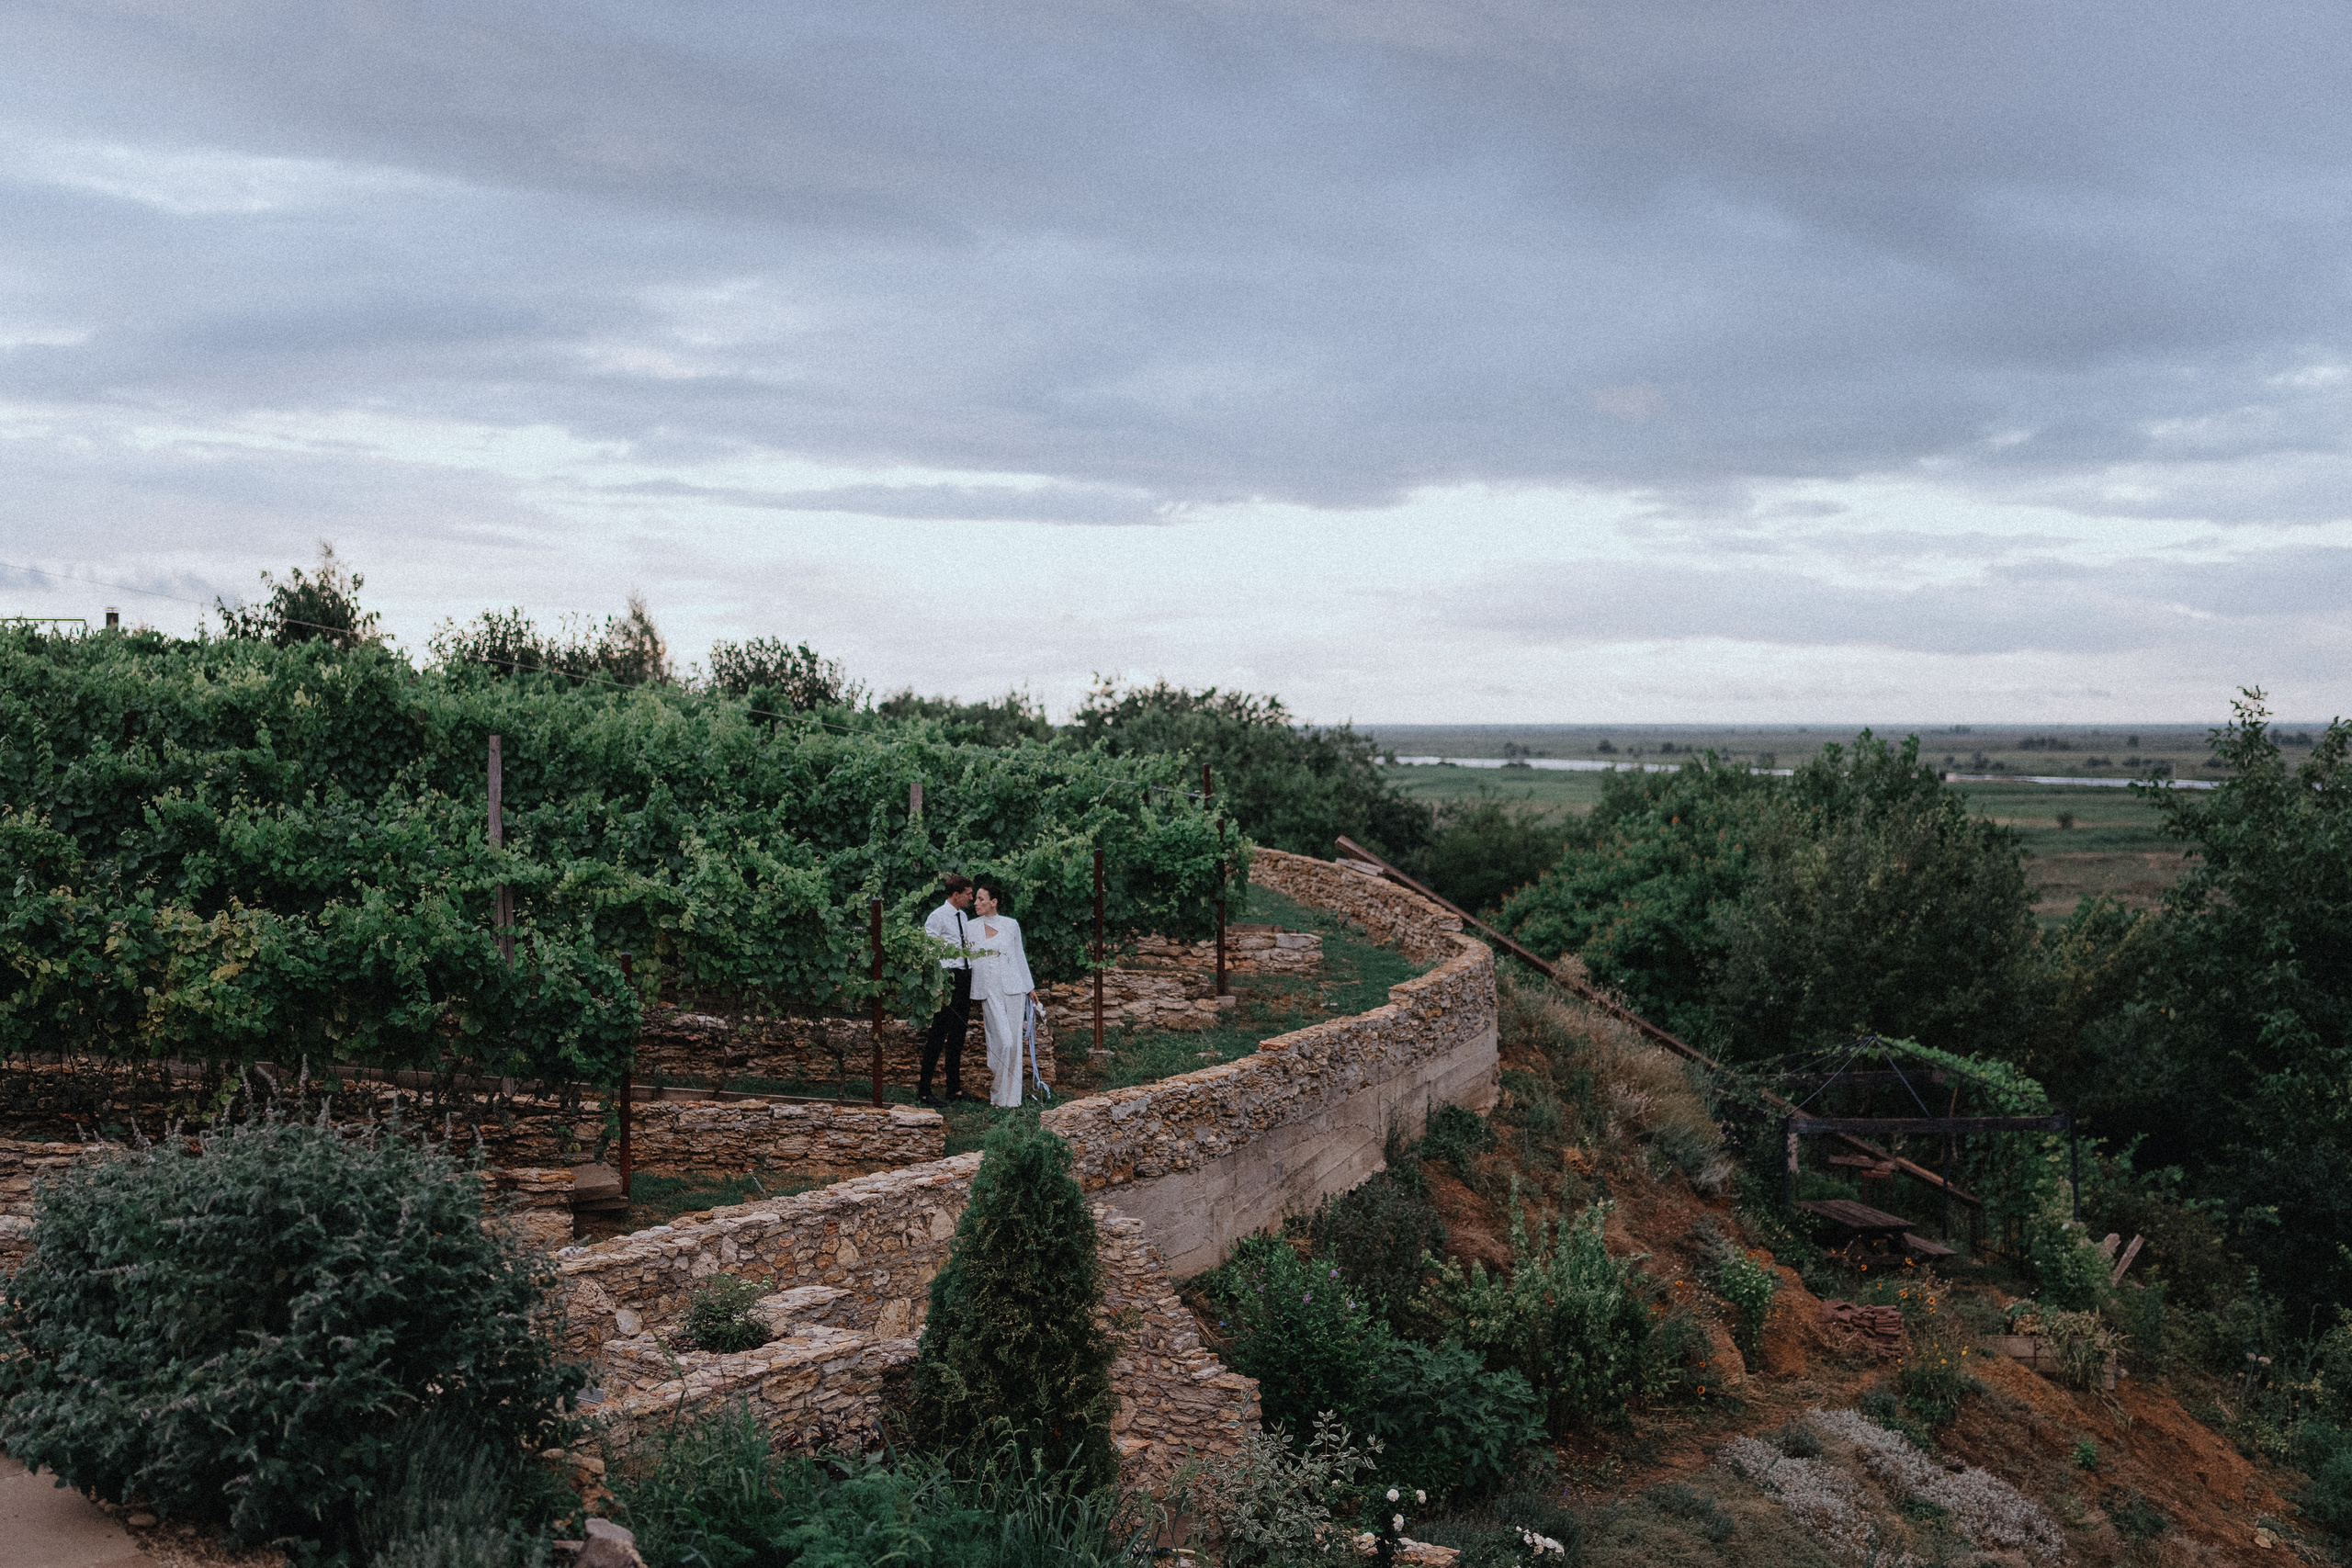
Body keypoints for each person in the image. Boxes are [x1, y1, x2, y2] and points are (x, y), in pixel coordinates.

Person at [966, 882, 1037, 1109]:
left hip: (1014, 989)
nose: (976, 903)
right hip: (989, 991)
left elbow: (1019, 955)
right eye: (975, 899)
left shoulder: (1011, 925)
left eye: (981, 899)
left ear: (993, 902)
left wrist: (1029, 987)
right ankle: (997, 1093)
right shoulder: (970, 927)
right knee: (1003, 1042)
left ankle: (1011, 1100)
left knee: (1014, 1044)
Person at [919, 874, 976, 1106]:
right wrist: (938, 984)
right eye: (968, 894)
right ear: (956, 895)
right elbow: (929, 952)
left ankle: (954, 1088)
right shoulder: (937, 917)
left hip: (964, 977)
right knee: (937, 1035)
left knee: (958, 1036)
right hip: (947, 978)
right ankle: (924, 1091)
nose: (972, 898)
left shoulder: (963, 916)